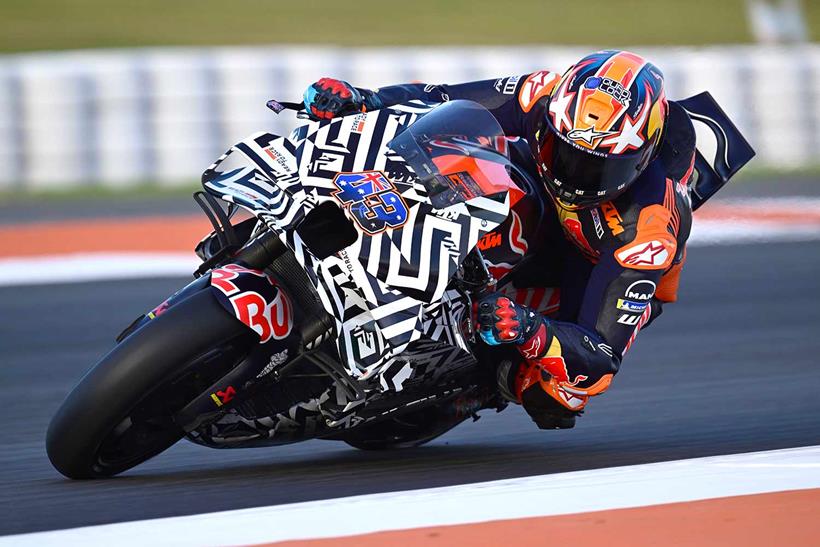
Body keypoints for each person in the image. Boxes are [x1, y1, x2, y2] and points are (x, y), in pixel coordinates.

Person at [301, 50, 696, 430]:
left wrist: (529, 329)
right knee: (463, 151)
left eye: (597, 167)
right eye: (564, 152)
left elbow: (600, 356)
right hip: (535, 188)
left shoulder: (649, 229)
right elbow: (442, 98)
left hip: (592, 260)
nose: (573, 174)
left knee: (559, 393)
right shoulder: (544, 94)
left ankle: (490, 379)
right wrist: (366, 99)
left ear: (640, 158)